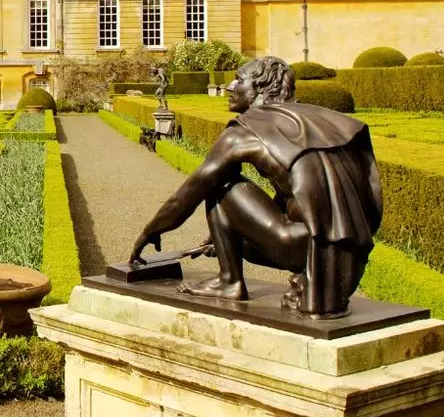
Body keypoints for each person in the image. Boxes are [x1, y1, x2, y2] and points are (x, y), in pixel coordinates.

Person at [128, 57, 382, 317]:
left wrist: (150, 231)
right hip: (348, 252)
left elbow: (189, 194)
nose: (229, 86)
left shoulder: (241, 134)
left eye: (239, 79)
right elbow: (358, 197)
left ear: (260, 89)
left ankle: (229, 282)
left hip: (300, 248)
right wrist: (230, 237)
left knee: (220, 184)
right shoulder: (324, 120)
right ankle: (240, 269)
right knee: (231, 200)